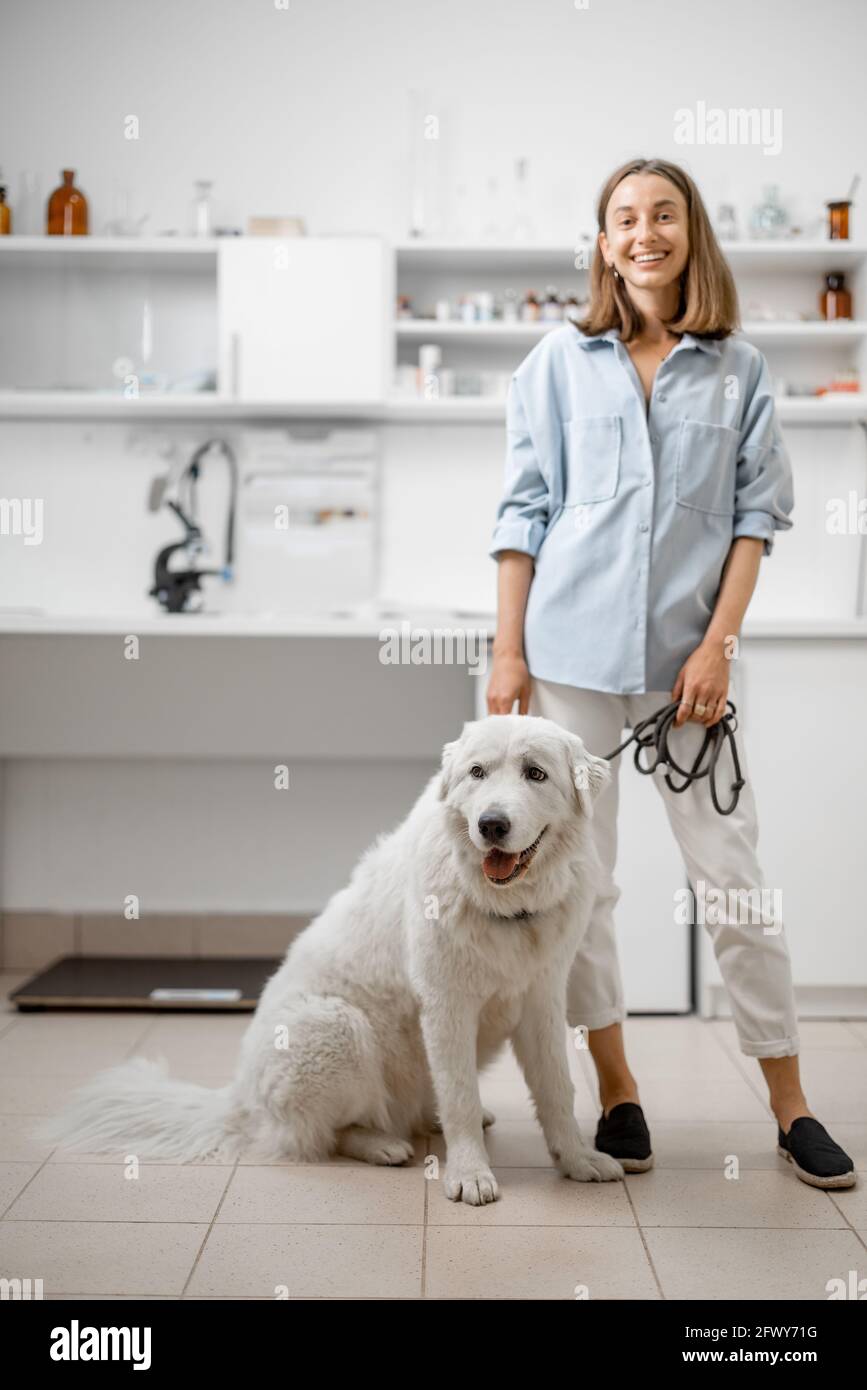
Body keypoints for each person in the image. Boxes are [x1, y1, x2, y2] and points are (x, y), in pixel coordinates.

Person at [486, 156, 855, 1190]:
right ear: (602, 243)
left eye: (663, 215)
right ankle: (617, 1092)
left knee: (731, 879)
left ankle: (790, 1104)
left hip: (687, 671)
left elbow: (755, 518)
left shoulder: (739, 369)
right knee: (583, 887)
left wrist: (717, 644)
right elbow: (522, 511)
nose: (644, 232)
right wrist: (508, 647)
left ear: (689, 233)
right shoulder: (556, 362)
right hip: (566, 663)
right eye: (623, 218)